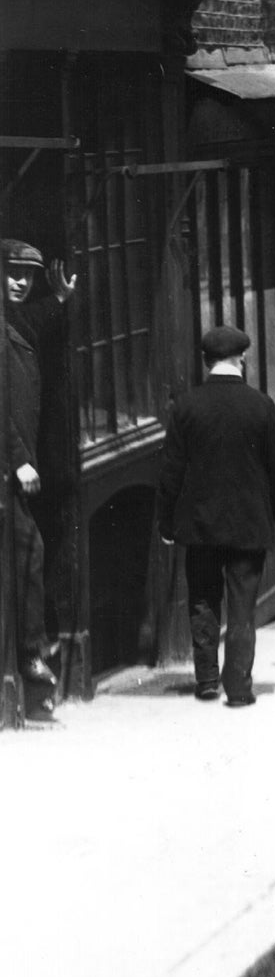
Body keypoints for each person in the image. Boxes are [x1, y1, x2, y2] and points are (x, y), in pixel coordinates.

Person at [156, 326, 275, 705]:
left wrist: (167, 522)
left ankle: (205, 680)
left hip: (200, 524)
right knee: (241, 606)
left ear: (206, 362)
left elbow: (171, 471)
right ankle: (238, 686)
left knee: (203, 600)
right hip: (249, 524)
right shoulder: (261, 406)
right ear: (243, 359)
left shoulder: (186, 407)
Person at [2, 242, 58, 720]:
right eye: (13, 273)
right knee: (29, 552)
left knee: (29, 553)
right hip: (7, 470)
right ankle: (30, 656)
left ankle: (30, 656)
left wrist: (57, 298)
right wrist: (19, 457)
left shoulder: (14, 322)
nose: (21, 282)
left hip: (15, 471)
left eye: (28, 276)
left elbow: (33, 326)